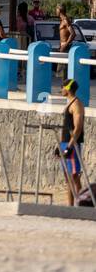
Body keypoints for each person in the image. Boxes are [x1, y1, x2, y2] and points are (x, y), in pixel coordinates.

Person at [59, 78, 86, 206]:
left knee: (74, 177)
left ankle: (81, 204)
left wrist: (69, 146)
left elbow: (78, 127)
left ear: (68, 89)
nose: (61, 89)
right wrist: (60, 145)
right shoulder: (70, 103)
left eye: (62, 87)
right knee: (68, 178)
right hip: (65, 143)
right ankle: (70, 206)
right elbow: (66, 127)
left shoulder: (76, 105)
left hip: (72, 145)